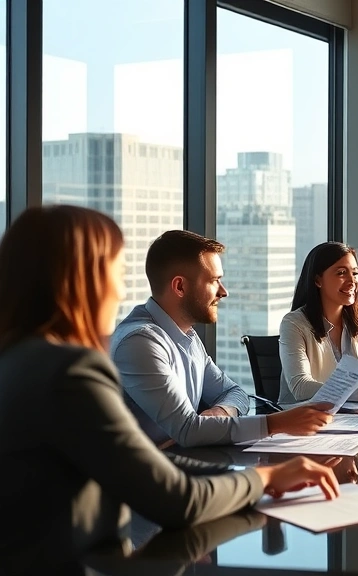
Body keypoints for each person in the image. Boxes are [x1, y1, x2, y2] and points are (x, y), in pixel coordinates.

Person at [0, 206, 339, 573]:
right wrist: (265, 478)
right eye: (118, 273)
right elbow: (176, 499)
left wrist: (241, 476)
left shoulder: (20, 362)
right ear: (83, 281)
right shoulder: (72, 372)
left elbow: (136, 460)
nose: (119, 290)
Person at [111, 230, 332, 448]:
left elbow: (235, 393)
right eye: (214, 281)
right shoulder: (140, 342)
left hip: (177, 466)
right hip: (140, 479)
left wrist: (220, 412)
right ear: (180, 287)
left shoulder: (186, 335)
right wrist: (279, 423)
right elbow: (188, 430)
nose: (223, 291)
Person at [278, 242, 358, 404]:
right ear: (317, 280)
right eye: (341, 273)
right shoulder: (294, 324)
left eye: (355, 273)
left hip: (353, 417)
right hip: (304, 418)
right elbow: (301, 387)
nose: (352, 281)